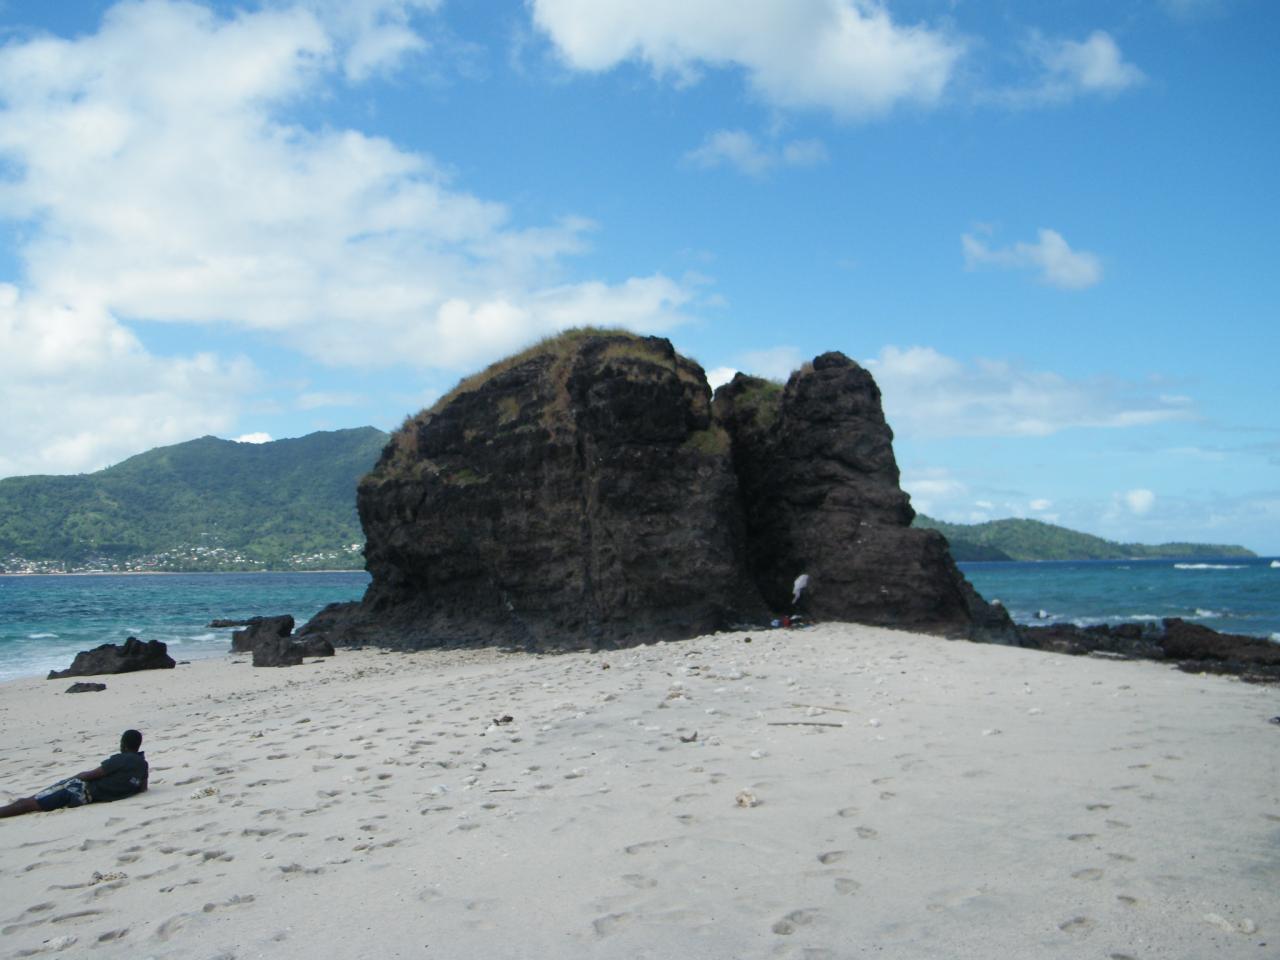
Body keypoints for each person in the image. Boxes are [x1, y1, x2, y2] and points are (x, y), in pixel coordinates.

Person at [0, 729, 149, 819]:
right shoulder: (143, 764)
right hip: (91, 797)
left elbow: (90, 775)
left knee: (27, 804)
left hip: (80, 791)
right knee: (34, 800)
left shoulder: (120, 759)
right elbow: (142, 788)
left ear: (123, 744)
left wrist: (70, 779)